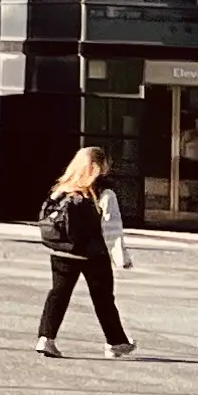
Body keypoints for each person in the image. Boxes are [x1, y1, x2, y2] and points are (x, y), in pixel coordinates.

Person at [35, 145, 132, 359]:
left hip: (61, 251)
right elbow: (112, 229)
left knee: (58, 294)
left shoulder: (61, 189)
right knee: (103, 298)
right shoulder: (104, 193)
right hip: (92, 254)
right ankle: (116, 342)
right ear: (101, 166)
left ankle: (46, 338)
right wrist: (120, 258)